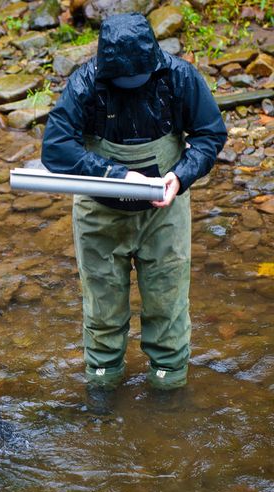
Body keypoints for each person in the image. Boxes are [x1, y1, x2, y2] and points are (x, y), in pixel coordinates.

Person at [41, 13, 227, 392]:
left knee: (168, 304)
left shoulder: (180, 77)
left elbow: (210, 134)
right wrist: (116, 175)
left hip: (165, 212)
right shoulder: (85, 84)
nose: (130, 85)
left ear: (153, 61)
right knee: (103, 308)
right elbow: (55, 149)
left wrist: (182, 175)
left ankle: (168, 385)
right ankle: (103, 385)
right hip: (100, 215)